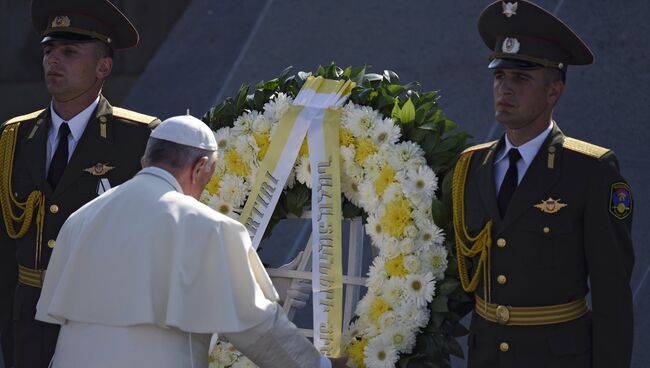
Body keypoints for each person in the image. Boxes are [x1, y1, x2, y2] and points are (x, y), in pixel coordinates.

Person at [35, 115, 347, 368]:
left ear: (146, 161)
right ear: (199, 168)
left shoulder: (80, 219)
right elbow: (255, 327)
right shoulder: (209, 226)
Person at [452, 1, 634, 367]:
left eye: (521, 78)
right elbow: (457, 279)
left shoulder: (592, 171)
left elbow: (612, 296)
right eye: (499, 76)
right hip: (486, 357)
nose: (505, 88)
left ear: (554, 92)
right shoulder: (470, 167)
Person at [0, 0, 160, 366]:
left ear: (103, 66)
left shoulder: (138, 138)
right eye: (49, 50)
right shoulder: (15, 137)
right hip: (28, 325)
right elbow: (5, 250)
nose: (53, 60)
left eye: (70, 52)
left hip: (99, 325)